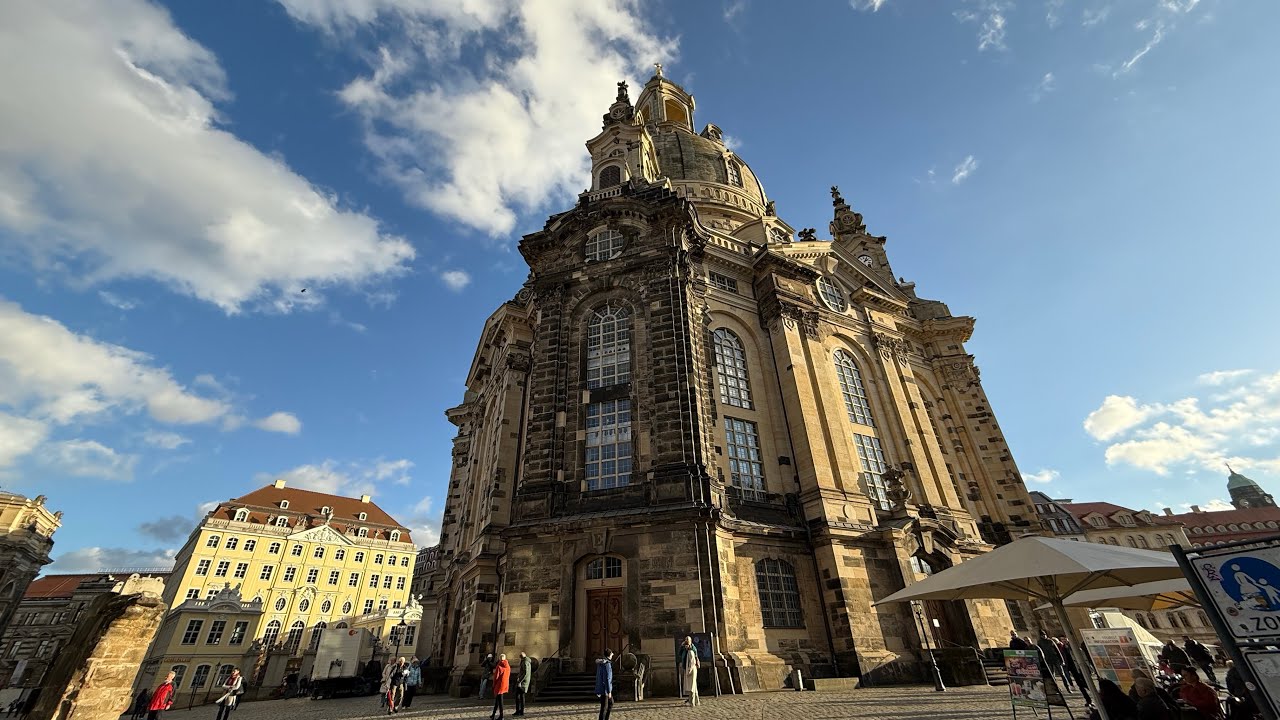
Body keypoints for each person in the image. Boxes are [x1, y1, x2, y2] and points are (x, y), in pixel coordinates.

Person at [678, 636, 700, 706]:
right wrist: (682, 646)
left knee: (691, 686)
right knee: (694, 686)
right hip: (688, 668)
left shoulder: (691, 651)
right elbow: (680, 654)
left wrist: (689, 671)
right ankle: (696, 701)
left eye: (687, 641)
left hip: (691, 669)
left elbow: (692, 662)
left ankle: (691, 702)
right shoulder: (685, 650)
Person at [490, 653, 510, 720]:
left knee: (500, 701)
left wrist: (493, 685)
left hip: (499, 685)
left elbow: (496, 677)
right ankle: (493, 714)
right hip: (505, 684)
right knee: (497, 700)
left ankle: (501, 716)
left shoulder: (499, 666)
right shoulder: (508, 666)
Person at [595, 649, 614, 720]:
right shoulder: (607, 664)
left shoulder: (601, 663)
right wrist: (609, 691)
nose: (613, 654)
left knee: (610, 703)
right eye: (612, 653)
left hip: (601, 688)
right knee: (604, 708)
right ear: (609, 654)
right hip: (605, 689)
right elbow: (607, 679)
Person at [514, 652, 532, 717]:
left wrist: (520, 681)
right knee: (519, 696)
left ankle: (520, 711)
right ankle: (519, 711)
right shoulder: (526, 661)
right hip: (523, 681)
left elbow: (525, 673)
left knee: (520, 697)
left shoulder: (525, 662)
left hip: (523, 683)